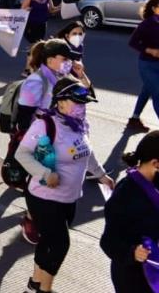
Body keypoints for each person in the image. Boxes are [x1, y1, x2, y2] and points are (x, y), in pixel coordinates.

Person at [16, 77, 114, 293]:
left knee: (48, 241)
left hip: (69, 197)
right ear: (60, 101)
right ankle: (45, 290)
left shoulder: (79, 125)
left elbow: (87, 154)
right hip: (43, 197)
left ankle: (34, 284)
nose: (83, 107)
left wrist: (102, 176)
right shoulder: (44, 124)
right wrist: (44, 173)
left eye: (85, 103)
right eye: (78, 102)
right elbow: (21, 154)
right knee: (60, 245)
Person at [101, 131, 159, 293]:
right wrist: (133, 252)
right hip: (134, 276)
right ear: (156, 163)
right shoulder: (125, 194)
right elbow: (108, 242)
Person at [128, 0, 159, 126]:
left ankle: (134, 119)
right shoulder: (147, 24)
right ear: (154, 8)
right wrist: (150, 50)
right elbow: (133, 42)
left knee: (147, 89)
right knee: (158, 94)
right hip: (147, 65)